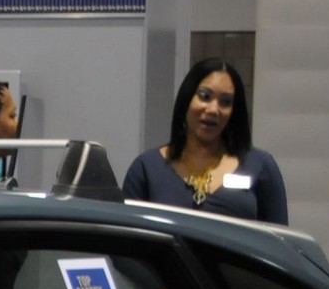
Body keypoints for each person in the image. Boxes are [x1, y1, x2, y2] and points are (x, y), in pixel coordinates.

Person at [121, 57, 288, 223]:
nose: (213, 109)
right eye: (205, 96)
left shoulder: (260, 165)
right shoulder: (147, 168)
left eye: (225, 102)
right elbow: (128, 242)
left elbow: (281, 245)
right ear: (186, 99)